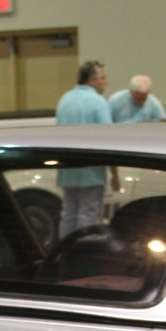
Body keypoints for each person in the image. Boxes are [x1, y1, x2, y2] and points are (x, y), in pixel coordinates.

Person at [55, 60, 112, 236]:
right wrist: (114, 171)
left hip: (67, 168)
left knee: (69, 213)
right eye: (103, 78)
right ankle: (85, 253)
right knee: (89, 214)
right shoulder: (97, 101)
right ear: (91, 80)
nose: (105, 82)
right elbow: (109, 136)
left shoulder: (64, 99)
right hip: (91, 170)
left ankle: (65, 252)